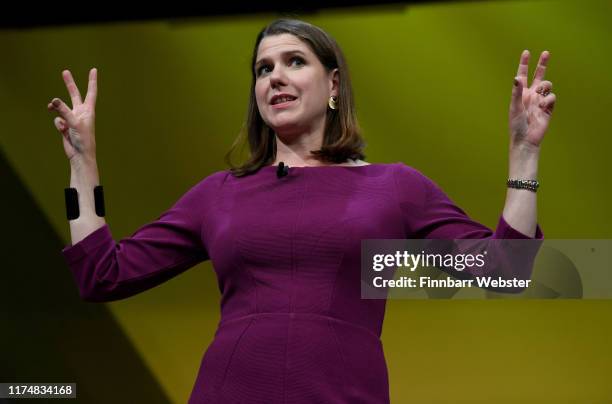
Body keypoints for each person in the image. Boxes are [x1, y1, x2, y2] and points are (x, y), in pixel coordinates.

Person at [49, 18, 553, 404]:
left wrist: (524, 154)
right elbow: (102, 275)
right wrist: (82, 163)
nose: (274, 77)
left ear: (333, 84)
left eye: (294, 61)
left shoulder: (393, 186)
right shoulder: (219, 194)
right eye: (263, 69)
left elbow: (506, 271)